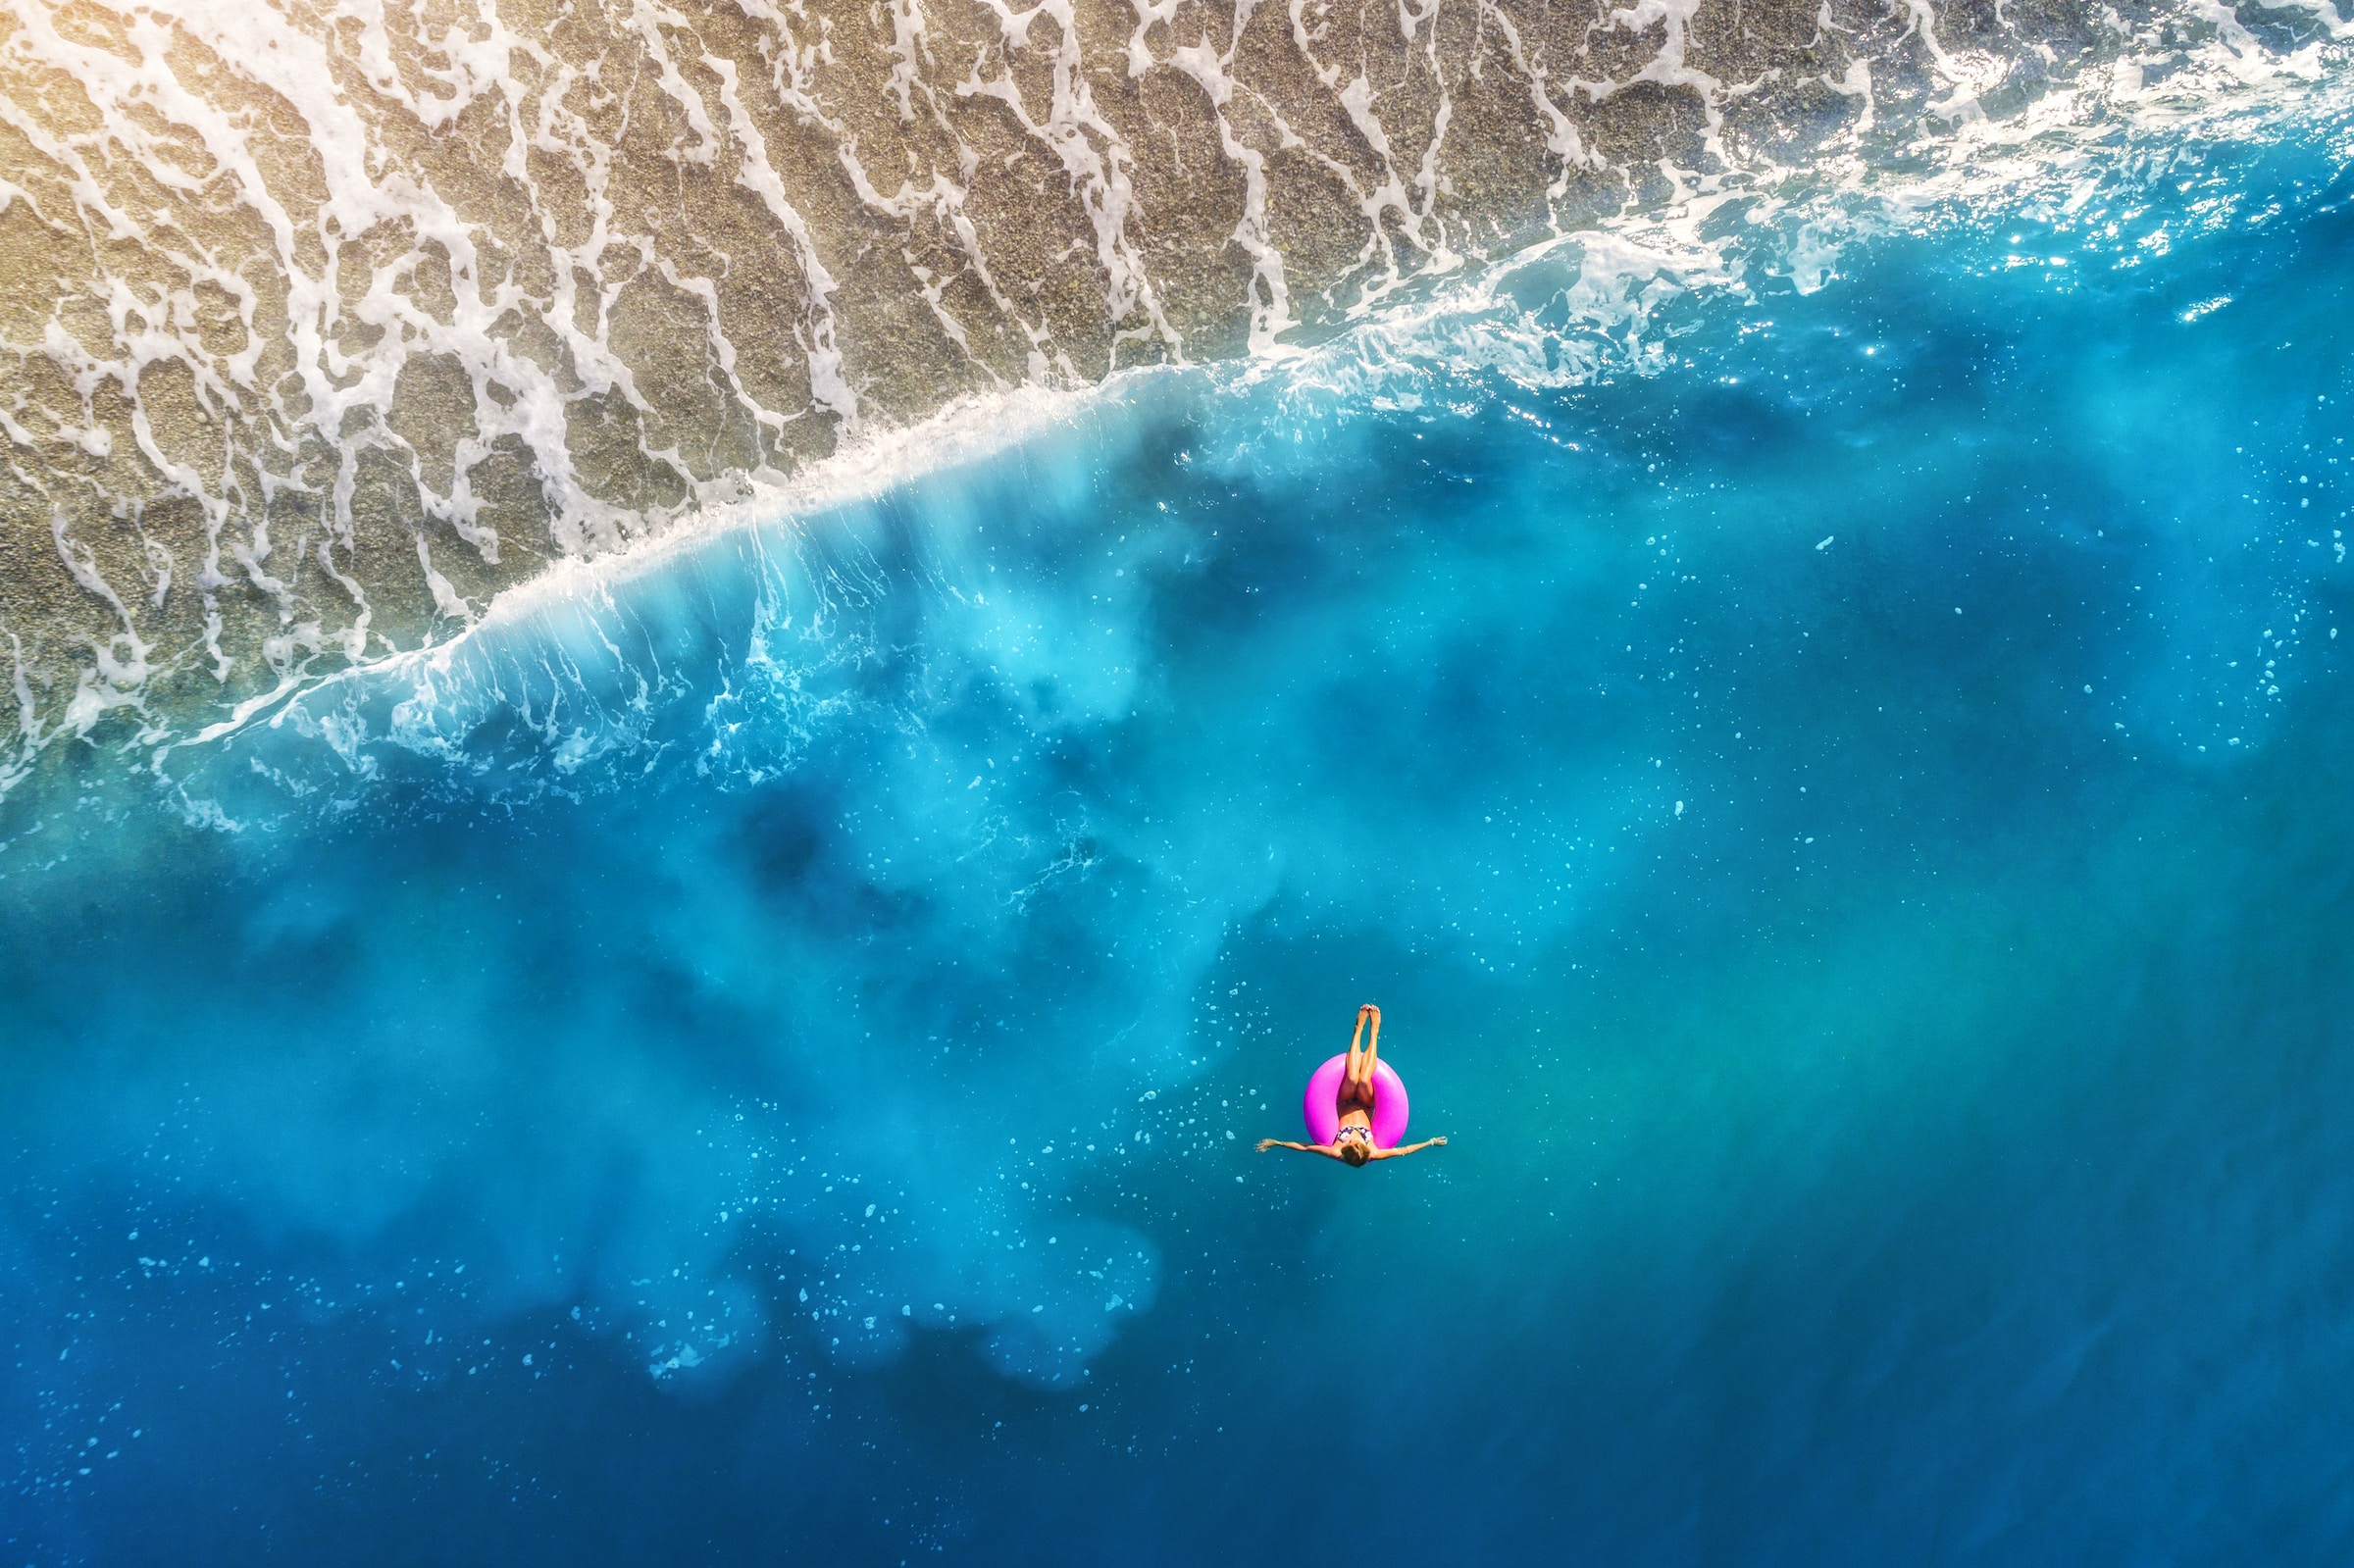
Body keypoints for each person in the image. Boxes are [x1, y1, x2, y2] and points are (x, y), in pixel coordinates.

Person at [1257, 1003, 1448, 1166]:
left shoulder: (1336, 1150)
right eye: (1357, 1144)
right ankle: (1374, 1032)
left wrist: (1276, 1142)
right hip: (1366, 1102)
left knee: (1351, 1078)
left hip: (1343, 1101)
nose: (1352, 1140)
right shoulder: (1373, 1151)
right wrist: (1430, 1142)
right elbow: (1403, 1150)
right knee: (1364, 1079)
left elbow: (1305, 1147)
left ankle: (1358, 1028)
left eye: (1350, 1143)